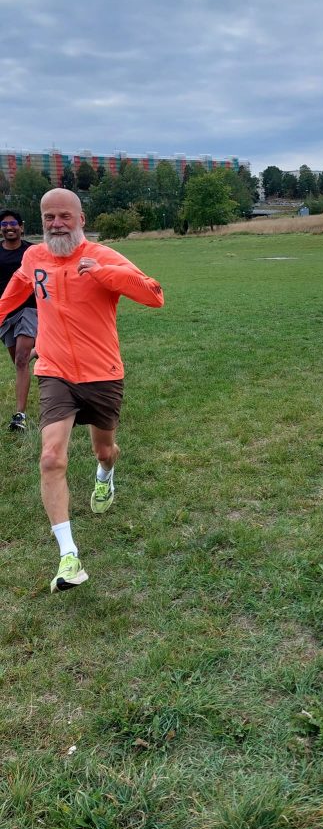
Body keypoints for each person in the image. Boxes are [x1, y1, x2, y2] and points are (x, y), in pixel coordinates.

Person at [0, 188, 164, 594]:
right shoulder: (34, 257)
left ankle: (105, 475)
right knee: (51, 456)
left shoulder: (104, 255)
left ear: (82, 219)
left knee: (104, 450)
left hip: (102, 373)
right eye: (49, 217)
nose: (57, 224)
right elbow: (15, 291)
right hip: (54, 370)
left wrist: (105, 274)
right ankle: (68, 556)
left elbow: (154, 295)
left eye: (65, 217)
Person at [0, 208, 38, 432]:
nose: (9, 228)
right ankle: (39, 350)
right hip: (5, 313)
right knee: (19, 361)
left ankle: (20, 416)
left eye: (13, 223)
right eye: (4, 225)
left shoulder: (32, 251)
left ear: (21, 227)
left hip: (29, 309)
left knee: (22, 360)